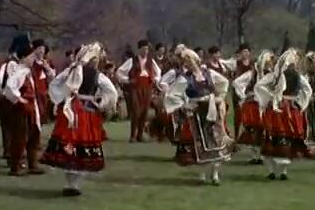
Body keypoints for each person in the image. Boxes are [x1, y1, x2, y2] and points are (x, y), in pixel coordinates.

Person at [41, 42, 118, 196]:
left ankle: (70, 183)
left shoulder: (71, 70)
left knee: (70, 145)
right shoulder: (97, 75)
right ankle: (74, 184)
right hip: (86, 113)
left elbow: (55, 83)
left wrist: (62, 97)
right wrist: (101, 103)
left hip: (70, 111)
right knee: (82, 147)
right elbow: (112, 92)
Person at [164, 48, 234, 186]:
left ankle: (215, 174)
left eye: (189, 60)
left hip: (212, 109)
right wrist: (185, 105)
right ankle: (202, 174)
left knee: (216, 141)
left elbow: (224, 82)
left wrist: (220, 97)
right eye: (185, 61)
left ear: (195, 59)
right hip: (197, 113)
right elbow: (173, 94)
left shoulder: (209, 73)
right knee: (200, 143)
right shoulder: (185, 78)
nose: (188, 63)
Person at [254, 48, 313, 180]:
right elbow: (308, 90)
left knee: (277, 136)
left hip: (280, 109)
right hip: (288, 109)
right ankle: (282, 171)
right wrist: (300, 103)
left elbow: (259, 86)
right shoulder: (293, 75)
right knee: (282, 136)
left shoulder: (276, 75)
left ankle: (275, 171)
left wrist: (270, 97)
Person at [3, 36, 45, 176]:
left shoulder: (29, 72)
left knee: (33, 137)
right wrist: (19, 99)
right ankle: (15, 166)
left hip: (31, 110)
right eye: (30, 57)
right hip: (21, 111)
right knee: (20, 138)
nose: (33, 59)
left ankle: (33, 164)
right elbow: (9, 88)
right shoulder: (19, 72)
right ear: (23, 58)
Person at [232, 50, 276, 165]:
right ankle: (256, 155)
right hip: (254, 105)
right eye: (268, 61)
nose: (269, 63)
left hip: (265, 105)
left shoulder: (272, 74)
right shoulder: (253, 73)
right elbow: (237, 82)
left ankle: (261, 155)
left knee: (264, 130)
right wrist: (244, 96)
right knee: (255, 129)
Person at [116, 39, 161, 143]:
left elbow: (158, 72)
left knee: (145, 111)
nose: (146, 51)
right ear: (139, 49)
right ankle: (133, 135)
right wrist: (127, 80)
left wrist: (156, 79)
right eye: (144, 49)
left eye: (147, 49)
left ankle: (140, 135)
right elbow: (119, 72)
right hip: (136, 88)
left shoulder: (151, 61)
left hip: (147, 87)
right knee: (136, 111)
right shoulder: (132, 60)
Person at [0, 41, 20, 163]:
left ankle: (13, 151)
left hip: (15, 99)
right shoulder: (6, 66)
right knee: (8, 127)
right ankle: (8, 151)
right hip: (8, 100)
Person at [31, 39, 56, 125]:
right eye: (39, 49)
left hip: (43, 91)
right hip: (33, 90)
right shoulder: (31, 62)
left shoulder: (46, 62)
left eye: (43, 49)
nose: (41, 51)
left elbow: (52, 76)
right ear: (34, 50)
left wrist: (47, 68)